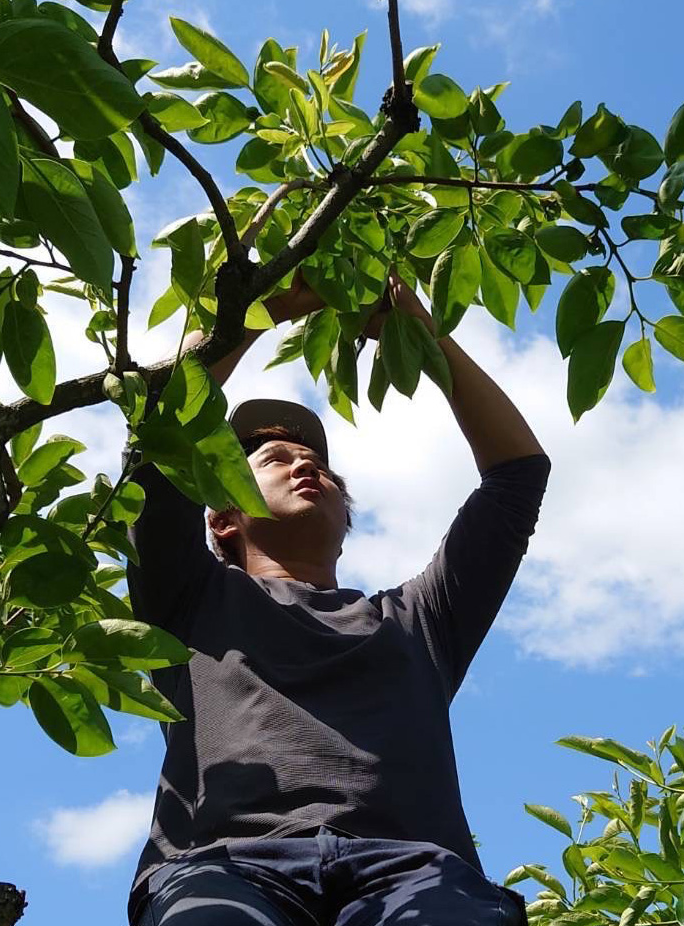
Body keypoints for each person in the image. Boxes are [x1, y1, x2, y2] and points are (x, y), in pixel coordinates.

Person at [123, 270, 551, 925]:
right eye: (272, 459)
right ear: (221, 519)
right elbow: (160, 442)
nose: (306, 467)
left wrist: (424, 337)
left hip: (414, 872)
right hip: (226, 868)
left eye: (320, 465)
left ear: (346, 522)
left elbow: (517, 474)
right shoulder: (188, 602)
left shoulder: (417, 622)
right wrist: (259, 307)